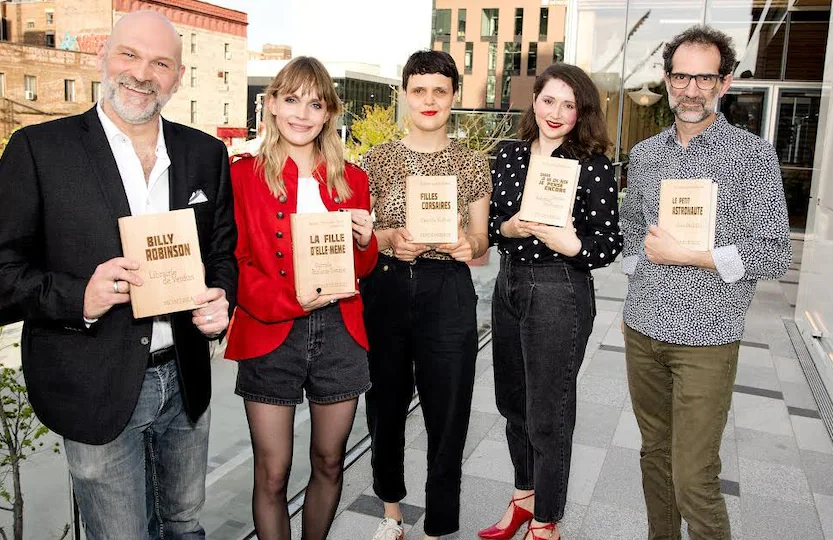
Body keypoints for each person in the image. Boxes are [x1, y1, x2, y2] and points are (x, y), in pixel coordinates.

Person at [0, 11, 237, 539]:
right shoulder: (38, 149)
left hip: (184, 378)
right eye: (130, 55)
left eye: (160, 63)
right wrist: (81, 298)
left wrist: (221, 297)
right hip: (92, 381)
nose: (142, 73)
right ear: (102, 59)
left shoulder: (204, 153)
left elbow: (223, 252)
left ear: (178, 77)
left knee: (185, 525)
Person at [620, 26, 791, 540]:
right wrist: (645, 272)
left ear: (726, 82)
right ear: (667, 80)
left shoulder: (753, 155)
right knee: (654, 455)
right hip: (643, 330)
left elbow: (775, 250)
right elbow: (633, 231)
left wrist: (692, 256)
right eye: (681, 77)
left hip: (708, 339)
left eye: (704, 77)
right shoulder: (647, 153)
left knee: (694, 477)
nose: (691, 89)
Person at [223, 56, 378, 540]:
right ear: (270, 105)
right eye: (290, 100)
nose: (302, 113)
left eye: (315, 103)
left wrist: (366, 241)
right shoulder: (243, 175)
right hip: (270, 331)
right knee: (272, 472)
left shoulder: (353, 179)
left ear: (329, 112)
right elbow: (236, 264)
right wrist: (292, 300)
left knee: (330, 461)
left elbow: (364, 270)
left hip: (340, 333)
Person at [480, 63, 622, 540]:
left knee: (549, 412)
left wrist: (570, 243)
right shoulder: (510, 155)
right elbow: (491, 223)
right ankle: (524, 496)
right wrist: (510, 228)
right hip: (509, 285)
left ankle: (546, 521)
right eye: (548, 100)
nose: (556, 112)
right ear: (534, 101)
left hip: (560, 287)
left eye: (569, 104)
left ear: (581, 111)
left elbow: (608, 244)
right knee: (511, 402)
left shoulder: (594, 165)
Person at [362, 50, 491, 540]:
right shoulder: (375, 160)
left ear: (454, 97)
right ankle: (392, 513)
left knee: (449, 410)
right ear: (404, 95)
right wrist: (391, 238)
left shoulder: (473, 162)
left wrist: (469, 244)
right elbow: (361, 233)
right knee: (385, 406)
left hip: (448, 292)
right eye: (419, 90)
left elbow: (482, 238)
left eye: (440, 90)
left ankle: (440, 525)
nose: (429, 100)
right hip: (388, 288)